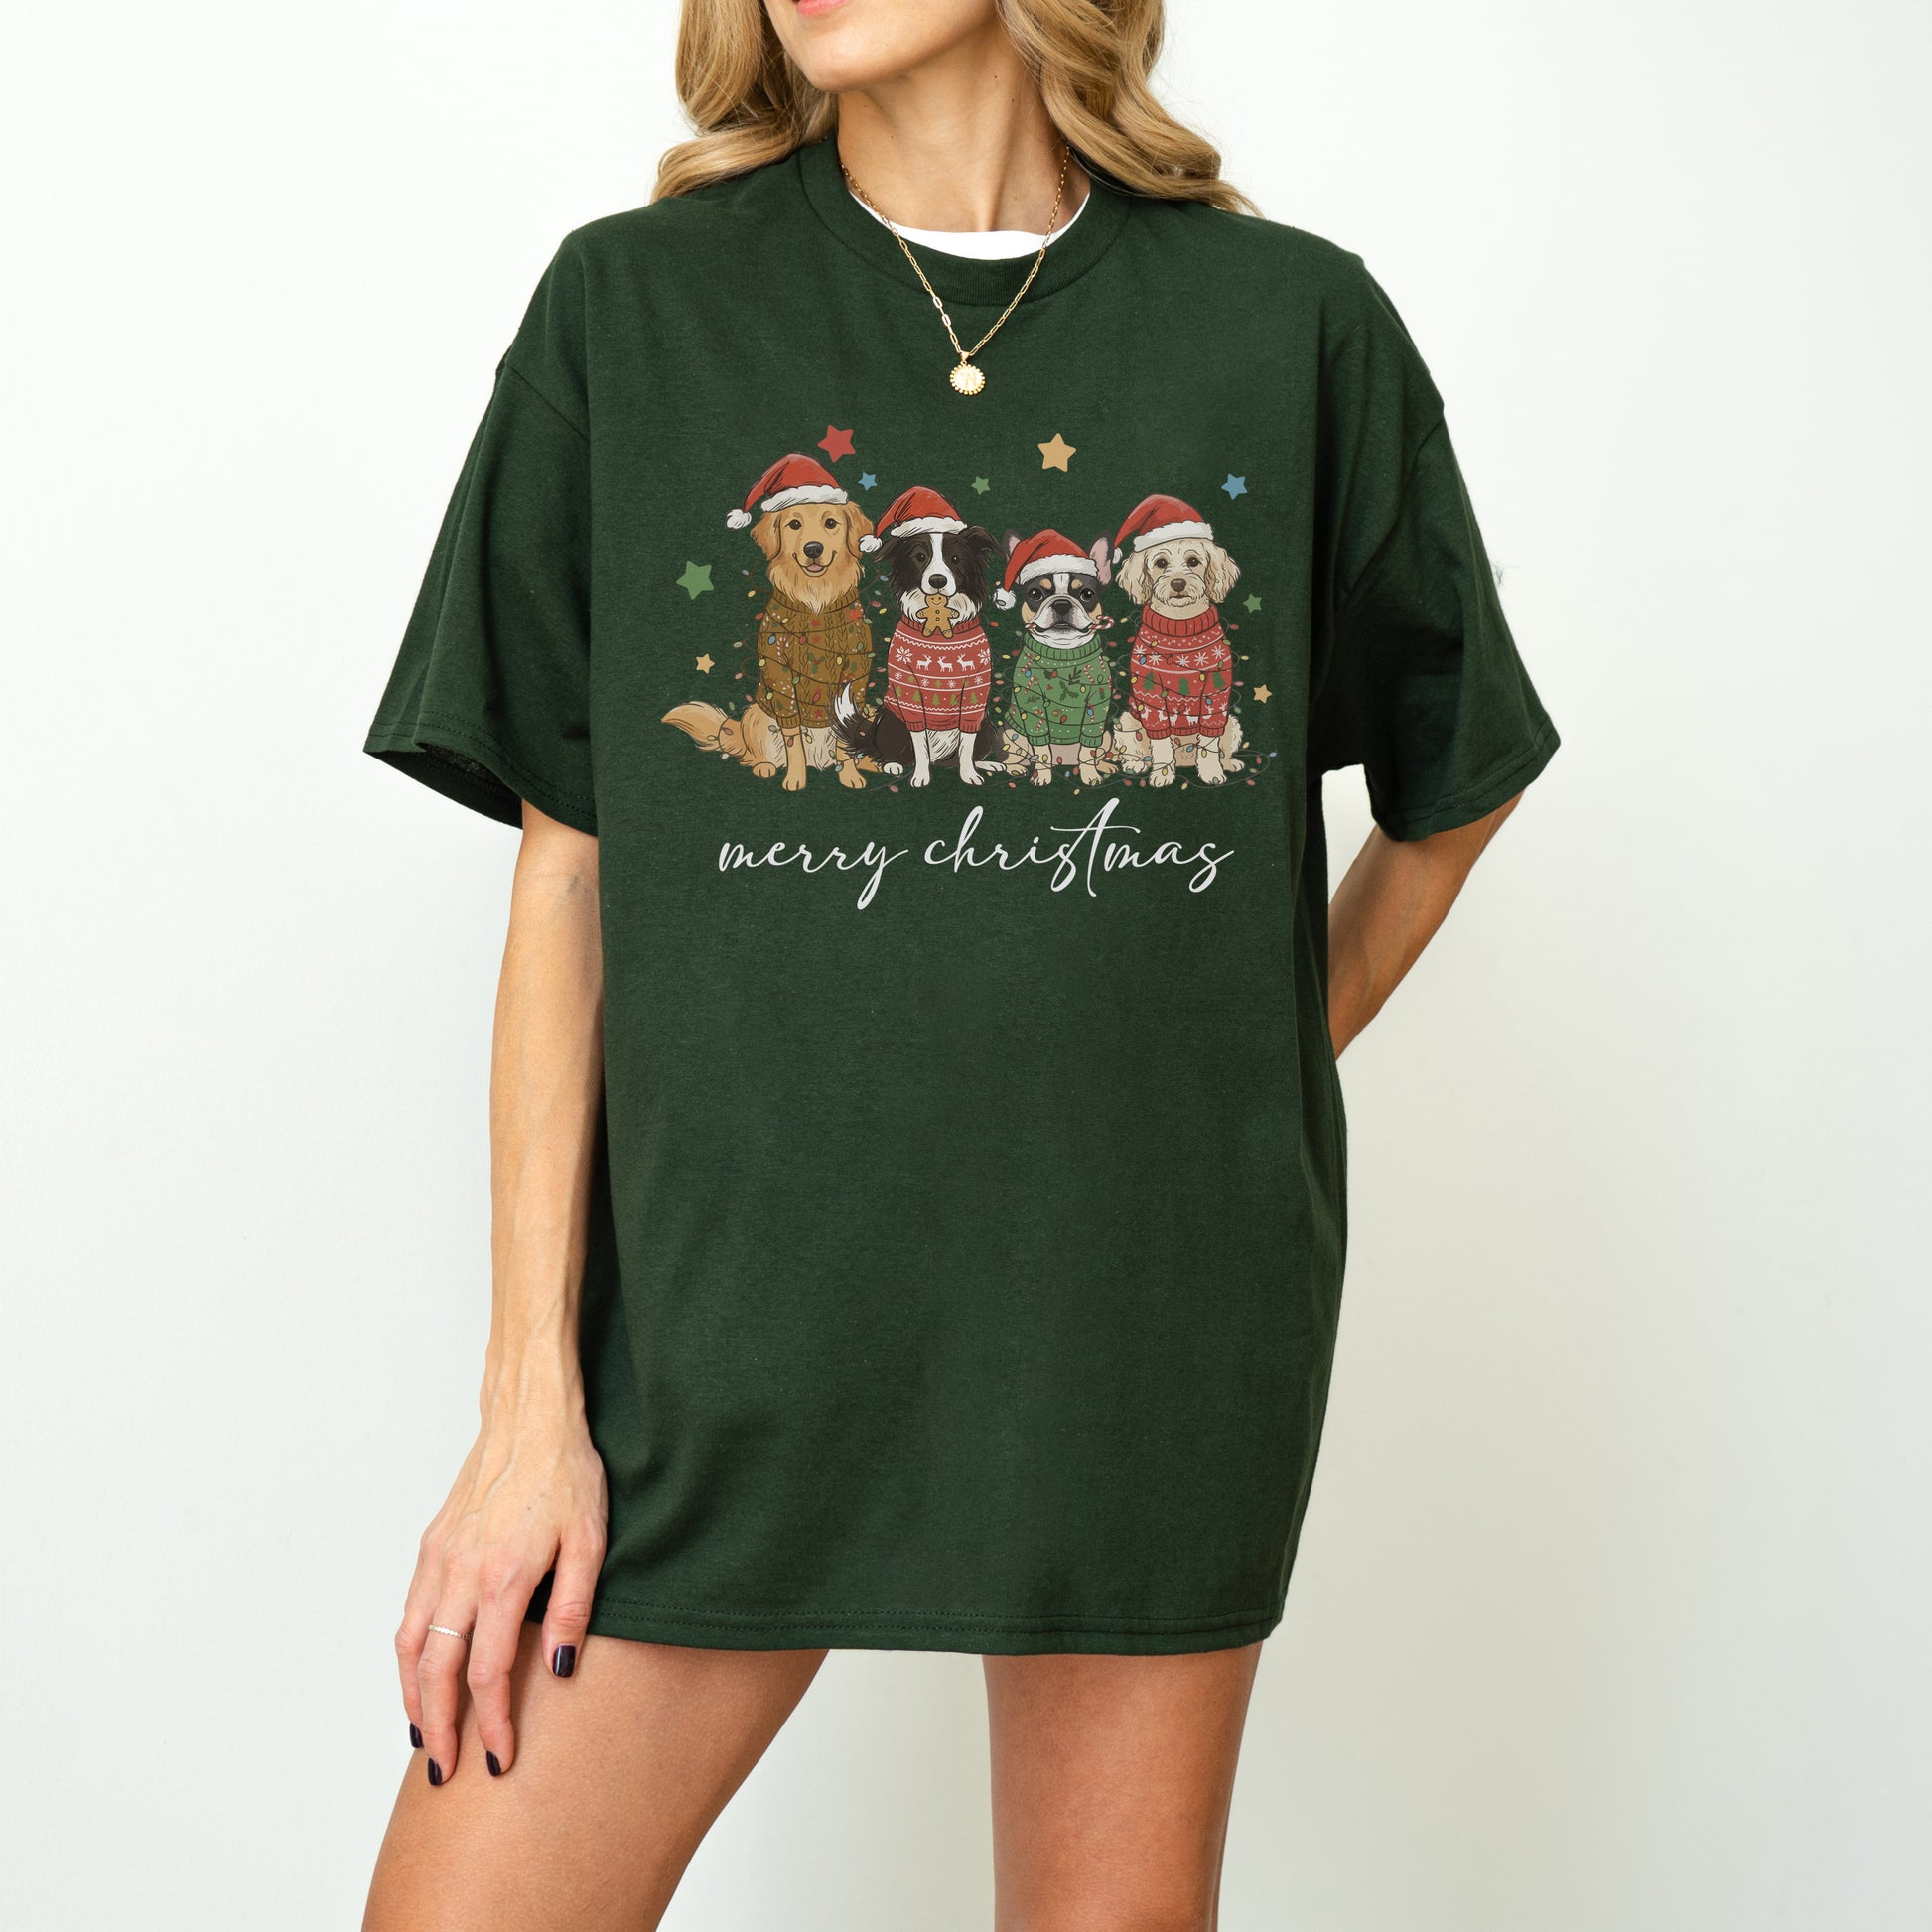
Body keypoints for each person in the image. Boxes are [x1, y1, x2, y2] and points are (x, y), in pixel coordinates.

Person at [359, 1, 1559, 1925]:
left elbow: (1453, 780)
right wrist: (526, 1416)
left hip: (1136, 1327)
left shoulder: (1289, 329)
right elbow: (564, 879)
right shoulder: (631, 313)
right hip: (717, 1341)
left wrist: (1236, 1060)